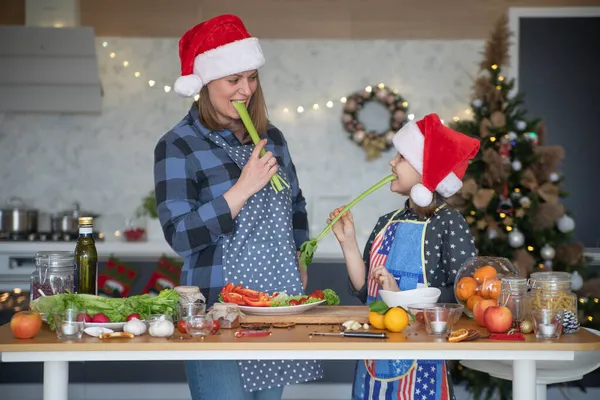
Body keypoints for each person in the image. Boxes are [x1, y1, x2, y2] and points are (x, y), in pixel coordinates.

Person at [153, 14, 322, 400]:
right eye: (234, 80)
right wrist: (240, 190)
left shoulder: (272, 138)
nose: (246, 89)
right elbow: (180, 236)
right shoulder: (178, 146)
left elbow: (295, 203)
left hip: (276, 304)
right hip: (216, 311)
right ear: (206, 83)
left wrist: (300, 254)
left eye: (252, 77)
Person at [329, 113, 480, 400]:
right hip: (374, 351)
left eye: (401, 157)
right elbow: (366, 291)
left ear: (427, 171)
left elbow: (465, 294)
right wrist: (348, 243)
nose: (391, 162)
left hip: (423, 358)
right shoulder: (387, 220)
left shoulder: (449, 223)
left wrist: (402, 299)